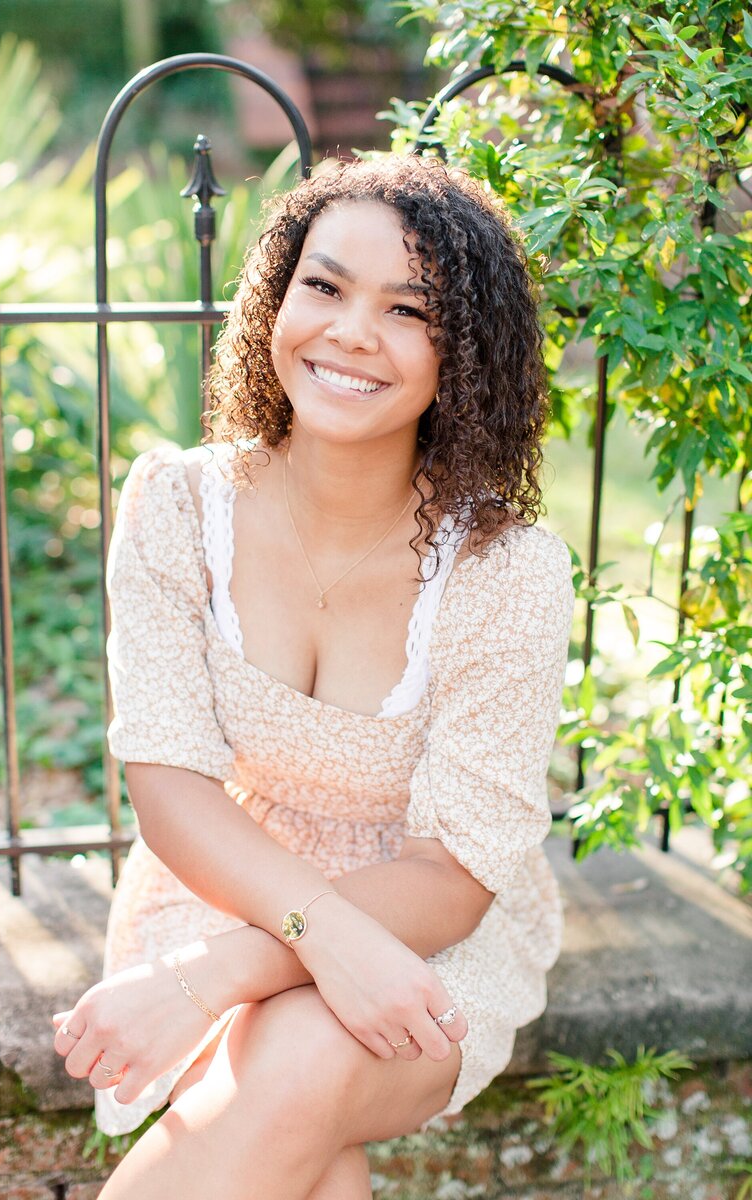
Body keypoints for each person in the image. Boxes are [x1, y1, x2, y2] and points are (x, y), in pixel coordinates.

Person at [52, 153, 574, 1200]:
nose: (348, 332)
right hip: (224, 883)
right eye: (324, 287)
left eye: (405, 310)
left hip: (428, 930)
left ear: (460, 355)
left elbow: (454, 875)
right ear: (276, 300)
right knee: (307, 1150)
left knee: (286, 1061)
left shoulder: (505, 571)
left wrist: (216, 977)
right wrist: (296, 939)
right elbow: (171, 788)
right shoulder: (177, 507)